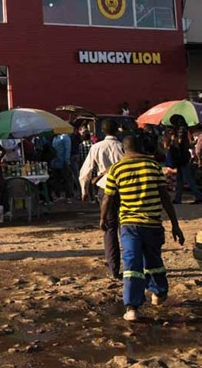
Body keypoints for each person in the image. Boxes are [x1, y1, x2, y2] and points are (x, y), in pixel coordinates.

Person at [101, 135, 185, 322]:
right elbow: (165, 198)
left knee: (132, 264)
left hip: (129, 225)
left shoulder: (117, 168)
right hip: (153, 224)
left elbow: (108, 198)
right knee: (154, 259)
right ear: (142, 148)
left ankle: (131, 307)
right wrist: (175, 224)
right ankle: (158, 293)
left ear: (123, 150)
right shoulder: (154, 167)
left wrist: (103, 218)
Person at [79, 119, 124, 279]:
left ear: (102, 132)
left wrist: (84, 190)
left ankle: (114, 268)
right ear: (117, 131)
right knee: (125, 227)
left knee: (109, 229)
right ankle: (131, 266)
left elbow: (86, 170)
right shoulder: (122, 147)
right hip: (124, 189)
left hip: (105, 190)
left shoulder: (96, 147)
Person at [169, 114, 202, 204]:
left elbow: (179, 142)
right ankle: (178, 198)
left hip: (181, 157)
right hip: (183, 157)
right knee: (180, 179)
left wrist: (173, 139)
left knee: (188, 179)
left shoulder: (180, 130)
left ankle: (199, 196)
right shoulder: (185, 129)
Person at [50, 131, 72, 202]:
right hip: (55, 162)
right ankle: (58, 195)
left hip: (63, 162)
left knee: (66, 179)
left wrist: (66, 160)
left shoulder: (65, 137)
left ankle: (68, 196)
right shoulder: (55, 138)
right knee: (56, 180)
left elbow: (67, 149)